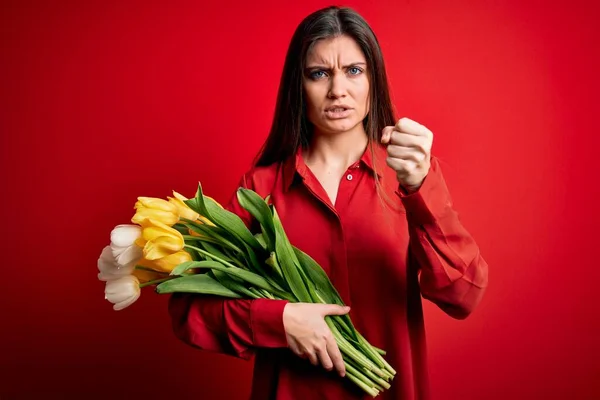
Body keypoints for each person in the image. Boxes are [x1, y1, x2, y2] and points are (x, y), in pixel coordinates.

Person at [168, 5, 488, 400]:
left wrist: (421, 189)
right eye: (319, 73)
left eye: (354, 70)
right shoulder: (260, 189)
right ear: (298, 87)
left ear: (374, 79)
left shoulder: (409, 177)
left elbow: (464, 295)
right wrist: (280, 320)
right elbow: (189, 310)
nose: (338, 90)